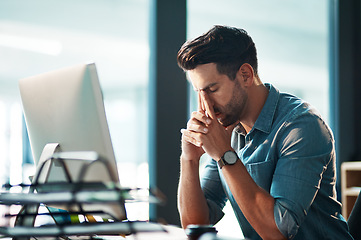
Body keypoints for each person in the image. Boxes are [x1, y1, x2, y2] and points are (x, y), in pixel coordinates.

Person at [177, 25, 353, 240]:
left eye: (212, 90)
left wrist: (224, 154)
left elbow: (278, 232)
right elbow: (195, 226)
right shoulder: (228, 131)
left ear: (245, 75)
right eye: (199, 92)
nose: (206, 106)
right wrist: (189, 159)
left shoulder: (301, 127)